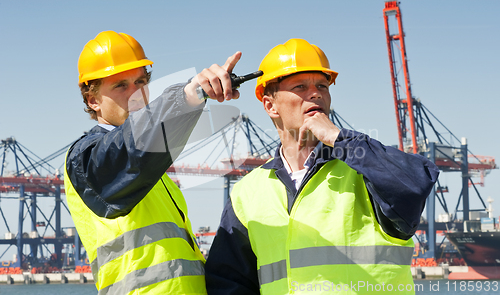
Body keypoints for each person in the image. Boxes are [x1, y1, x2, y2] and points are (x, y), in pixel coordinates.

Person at [205, 38, 439, 295]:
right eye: (300, 86)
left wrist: (341, 139)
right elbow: (228, 282)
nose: (315, 93)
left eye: (322, 86)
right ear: (270, 105)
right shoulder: (247, 193)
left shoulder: (363, 170)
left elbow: (416, 183)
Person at [64, 30, 241, 295]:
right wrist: (187, 96)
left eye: (140, 82)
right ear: (93, 100)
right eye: (121, 85)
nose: (136, 94)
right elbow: (130, 148)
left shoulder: (157, 175)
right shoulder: (86, 161)